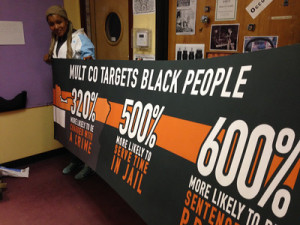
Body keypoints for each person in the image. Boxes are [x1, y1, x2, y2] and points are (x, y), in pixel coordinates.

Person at [44, 5, 95, 180]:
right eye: (51, 24)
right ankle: (75, 160)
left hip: (81, 92)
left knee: (83, 130)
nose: (56, 26)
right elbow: (63, 65)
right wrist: (50, 60)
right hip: (65, 94)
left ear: (66, 20)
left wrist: (89, 60)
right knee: (70, 130)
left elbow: (90, 59)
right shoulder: (55, 42)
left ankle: (88, 165)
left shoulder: (78, 37)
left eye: (59, 22)